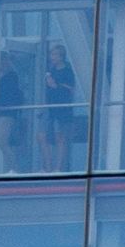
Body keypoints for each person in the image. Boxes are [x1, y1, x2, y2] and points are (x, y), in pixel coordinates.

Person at [39, 42, 77, 173]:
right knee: (42, 136)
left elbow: (71, 89)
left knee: (60, 137)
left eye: (55, 54)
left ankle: (58, 168)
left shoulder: (67, 70)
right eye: (51, 54)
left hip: (62, 109)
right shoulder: (51, 70)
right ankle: (48, 166)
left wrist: (56, 85)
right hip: (50, 108)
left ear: (61, 56)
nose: (52, 57)